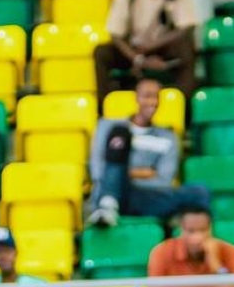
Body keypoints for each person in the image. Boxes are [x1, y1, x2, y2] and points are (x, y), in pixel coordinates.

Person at [86, 77, 210, 227]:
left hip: (146, 197)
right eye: (147, 96)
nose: (152, 102)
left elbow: (164, 180)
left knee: (199, 191)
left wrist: (125, 173)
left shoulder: (168, 137)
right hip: (112, 191)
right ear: (136, 98)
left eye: (156, 97)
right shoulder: (108, 126)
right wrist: (145, 172)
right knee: (119, 135)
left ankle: (195, 238)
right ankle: (108, 207)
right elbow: (99, 171)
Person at [95, 0, 198, 106]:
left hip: (162, 46)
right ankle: (104, 106)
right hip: (132, 48)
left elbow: (186, 28)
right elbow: (115, 34)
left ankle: (184, 104)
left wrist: (152, 46)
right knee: (101, 52)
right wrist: (138, 59)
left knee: (186, 47)